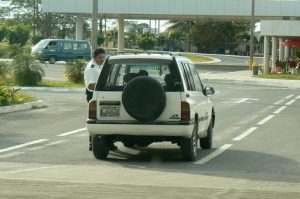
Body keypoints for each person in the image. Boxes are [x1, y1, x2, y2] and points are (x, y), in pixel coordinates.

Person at [84, 48, 117, 151]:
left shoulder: (100, 65)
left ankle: (108, 143)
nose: (102, 59)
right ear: (94, 57)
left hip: (103, 94)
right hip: (95, 95)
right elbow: (90, 86)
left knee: (109, 118)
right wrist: (104, 88)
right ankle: (92, 144)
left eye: (104, 57)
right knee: (96, 119)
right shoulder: (91, 68)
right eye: (100, 57)